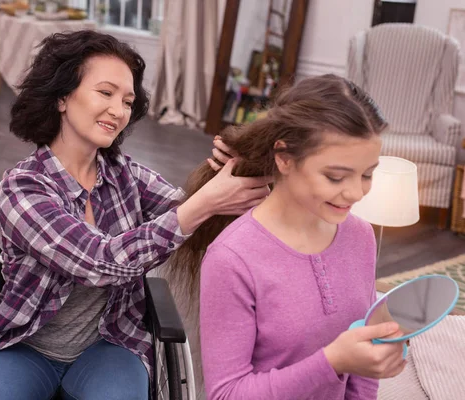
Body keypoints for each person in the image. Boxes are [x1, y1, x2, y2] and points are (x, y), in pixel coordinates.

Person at [0, 30, 270, 400]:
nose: (119, 111)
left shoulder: (125, 174)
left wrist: (228, 174)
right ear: (61, 98)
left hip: (109, 343)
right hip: (24, 345)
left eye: (127, 100)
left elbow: (190, 220)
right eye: (105, 93)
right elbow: (100, 262)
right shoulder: (23, 188)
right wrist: (203, 204)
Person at [168, 74, 407, 399]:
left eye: (367, 174)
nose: (355, 193)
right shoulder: (232, 257)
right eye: (335, 176)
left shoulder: (361, 236)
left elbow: (363, 363)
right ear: (284, 158)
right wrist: (333, 361)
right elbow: (227, 394)